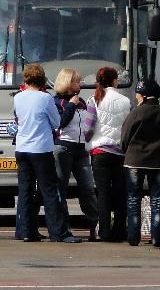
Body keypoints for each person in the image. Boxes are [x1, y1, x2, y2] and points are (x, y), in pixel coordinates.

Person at [14, 64, 82, 243]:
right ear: (43, 79)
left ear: (26, 79)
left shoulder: (18, 98)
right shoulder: (45, 98)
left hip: (22, 148)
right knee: (50, 192)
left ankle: (25, 231)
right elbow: (56, 122)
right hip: (41, 149)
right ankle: (58, 233)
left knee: (25, 191)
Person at [122, 79, 160, 247]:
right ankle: (157, 238)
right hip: (158, 161)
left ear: (143, 96)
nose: (136, 96)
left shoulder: (136, 112)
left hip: (135, 160)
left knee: (133, 198)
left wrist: (127, 151)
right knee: (157, 199)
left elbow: (125, 136)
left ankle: (133, 237)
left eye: (138, 93)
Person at [52, 68, 99, 241]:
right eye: (76, 81)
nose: (79, 84)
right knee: (61, 190)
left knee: (87, 189)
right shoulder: (56, 102)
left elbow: (86, 124)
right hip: (63, 148)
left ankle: (97, 226)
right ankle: (64, 230)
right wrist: (71, 105)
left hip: (81, 149)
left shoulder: (82, 102)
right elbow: (60, 123)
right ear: (67, 83)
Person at [86, 66, 132, 242]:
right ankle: (120, 230)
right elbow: (127, 127)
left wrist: (88, 141)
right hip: (120, 152)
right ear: (114, 81)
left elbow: (89, 127)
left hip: (99, 152)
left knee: (103, 193)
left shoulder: (94, 100)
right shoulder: (125, 101)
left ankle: (104, 231)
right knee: (120, 192)